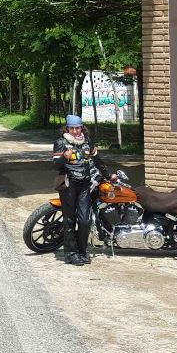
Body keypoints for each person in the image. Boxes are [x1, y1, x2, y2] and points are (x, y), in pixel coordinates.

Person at [52, 114, 107, 266]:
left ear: (81, 127)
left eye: (77, 128)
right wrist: (64, 157)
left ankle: (82, 251)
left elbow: (97, 161)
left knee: (85, 220)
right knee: (69, 219)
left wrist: (108, 176)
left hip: (85, 185)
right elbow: (56, 165)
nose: (75, 131)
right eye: (72, 128)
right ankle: (70, 253)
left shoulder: (88, 142)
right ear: (67, 128)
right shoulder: (61, 142)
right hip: (69, 184)